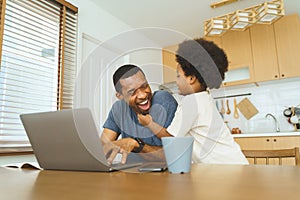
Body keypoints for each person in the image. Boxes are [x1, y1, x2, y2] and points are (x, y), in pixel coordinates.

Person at [138, 38, 248, 164]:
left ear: (191, 78)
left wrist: (148, 123)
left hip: (225, 167)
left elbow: (171, 138)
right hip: (234, 163)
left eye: (178, 75)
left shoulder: (191, 102)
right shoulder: (204, 98)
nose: (177, 81)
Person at [101, 64, 178, 165]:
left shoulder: (163, 100)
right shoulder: (119, 109)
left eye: (144, 86)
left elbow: (174, 153)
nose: (143, 95)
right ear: (120, 96)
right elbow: (103, 147)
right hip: (131, 175)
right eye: (132, 92)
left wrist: (137, 145)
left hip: (163, 175)